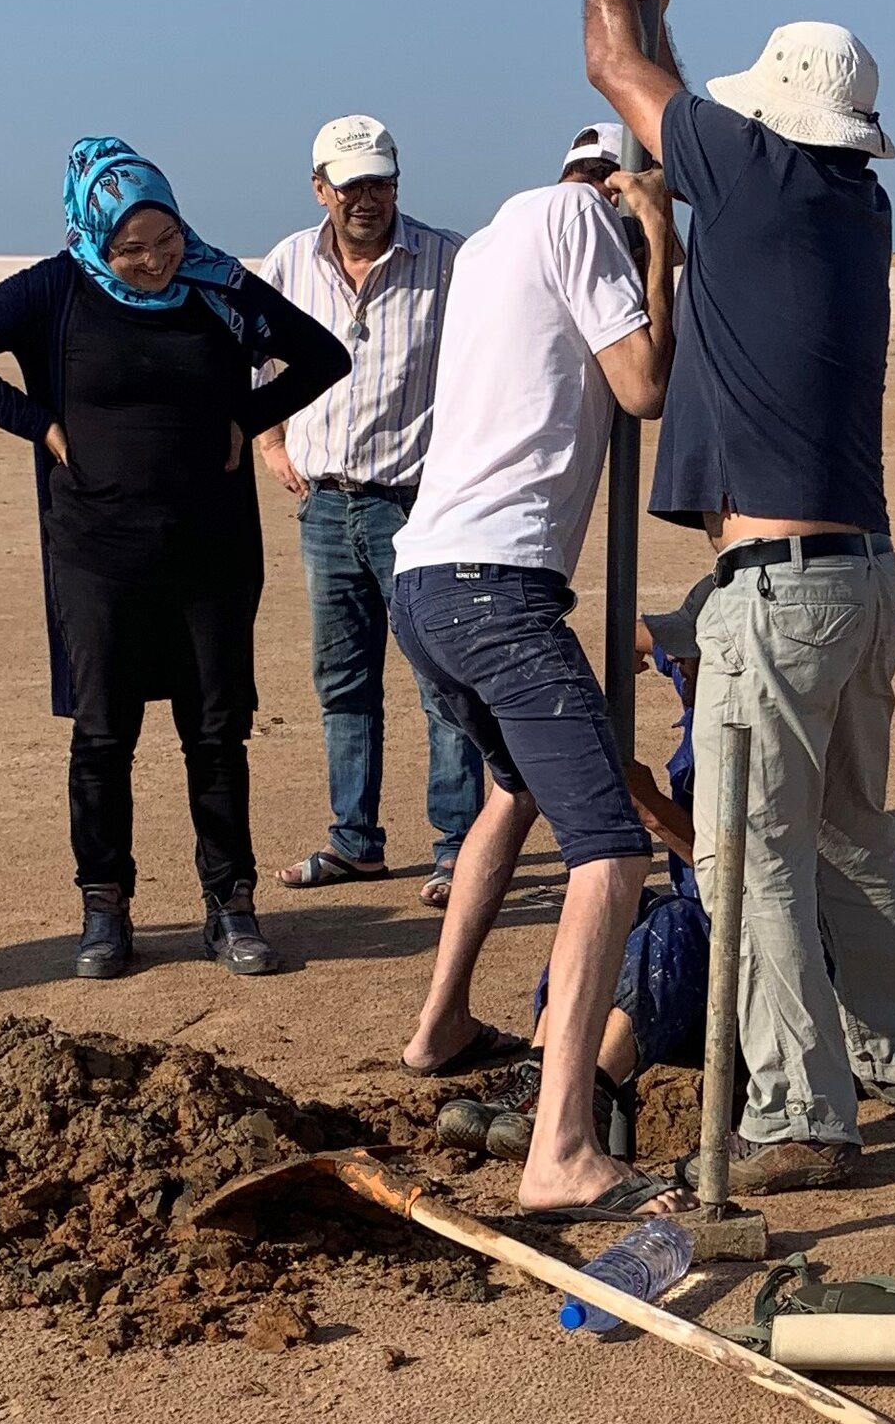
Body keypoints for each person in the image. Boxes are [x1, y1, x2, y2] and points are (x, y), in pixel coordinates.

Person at [582, 0, 895, 1194]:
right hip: (863, 575)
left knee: (749, 855)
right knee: (850, 829)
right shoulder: (853, 205)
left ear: (769, 118)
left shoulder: (759, 169)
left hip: (784, 590)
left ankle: (798, 1112)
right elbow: (671, 101)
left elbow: (614, 63)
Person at [0, 136, 348, 984]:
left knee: (216, 731)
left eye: (167, 240)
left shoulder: (219, 289)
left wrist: (249, 413)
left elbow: (324, 355)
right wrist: (36, 422)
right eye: (132, 248)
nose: (153, 262)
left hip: (210, 549)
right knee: (104, 735)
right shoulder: (54, 290)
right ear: (94, 235)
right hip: (96, 552)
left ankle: (231, 906)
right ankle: (104, 908)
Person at [388, 167, 688, 1220]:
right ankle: (560, 1147)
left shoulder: (490, 242)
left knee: (510, 792)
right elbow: (645, 381)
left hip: (423, 581)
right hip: (498, 589)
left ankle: (440, 1024)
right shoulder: (580, 223)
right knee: (609, 848)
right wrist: (659, 238)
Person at [248, 115, 482, 905]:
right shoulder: (287, 262)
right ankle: (356, 841)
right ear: (321, 188)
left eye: (379, 182)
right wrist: (271, 441)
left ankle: (458, 845)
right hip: (324, 505)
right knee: (342, 680)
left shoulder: (449, 260)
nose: (366, 199)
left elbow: (490, 362)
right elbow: (254, 357)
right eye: (350, 185)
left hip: (418, 507)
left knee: (441, 680)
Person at [528, 586, 714, 1153]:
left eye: (689, 656)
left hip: (738, 939)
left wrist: (654, 811)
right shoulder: (694, 680)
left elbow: (742, 876)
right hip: (699, 919)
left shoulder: (746, 732)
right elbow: (634, 634)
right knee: (613, 909)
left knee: (676, 923)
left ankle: (593, 1088)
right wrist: (641, 651)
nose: (676, 665)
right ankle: (537, 1075)